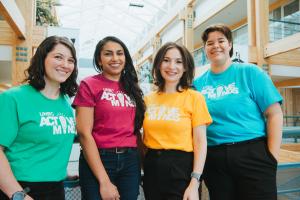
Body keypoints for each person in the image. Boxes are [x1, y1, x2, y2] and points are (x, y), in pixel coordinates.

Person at [193, 24, 283, 200]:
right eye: (209, 43)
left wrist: (271, 157)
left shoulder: (250, 72)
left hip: (252, 151)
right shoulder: (198, 84)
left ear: (230, 45)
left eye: (221, 41)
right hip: (215, 157)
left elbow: (274, 114)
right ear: (204, 49)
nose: (215, 46)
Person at [0, 36, 78, 200]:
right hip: (20, 188)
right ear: (42, 58)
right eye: (58, 57)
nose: (65, 64)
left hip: (56, 188)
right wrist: (17, 194)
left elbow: (49, 145)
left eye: (70, 60)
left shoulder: (64, 101)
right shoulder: (13, 98)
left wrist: (62, 172)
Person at [73, 36, 145, 200]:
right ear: (99, 60)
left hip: (130, 160)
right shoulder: (89, 85)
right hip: (98, 159)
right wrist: (104, 181)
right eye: (108, 54)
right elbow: (84, 133)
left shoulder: (132, 88)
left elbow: (135, 130)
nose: (115, 58)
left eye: (120, 53)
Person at [142, 42, 212, 200]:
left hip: (182, 167)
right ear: (159, 64)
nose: (171, 66)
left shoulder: (195, 97)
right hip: (152, 166)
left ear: (186, 67)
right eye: (166, 60)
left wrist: (195, 181)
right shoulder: (148, 99)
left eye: (178, 61)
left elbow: (200, 142)